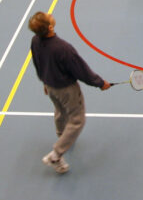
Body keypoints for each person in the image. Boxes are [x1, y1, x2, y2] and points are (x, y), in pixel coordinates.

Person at [28, 11, 111, 174]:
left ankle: (62, 135)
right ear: (50, 27)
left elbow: (37, 63)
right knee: (77, 120)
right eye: (48, 16)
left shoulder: (35, 41)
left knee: (60, 111)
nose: (50, 13)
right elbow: (81, 71)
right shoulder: (63, 49)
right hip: (67, 90)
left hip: (50, 86)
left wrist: (44, 81)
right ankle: (56, 155)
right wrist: (100, 83)